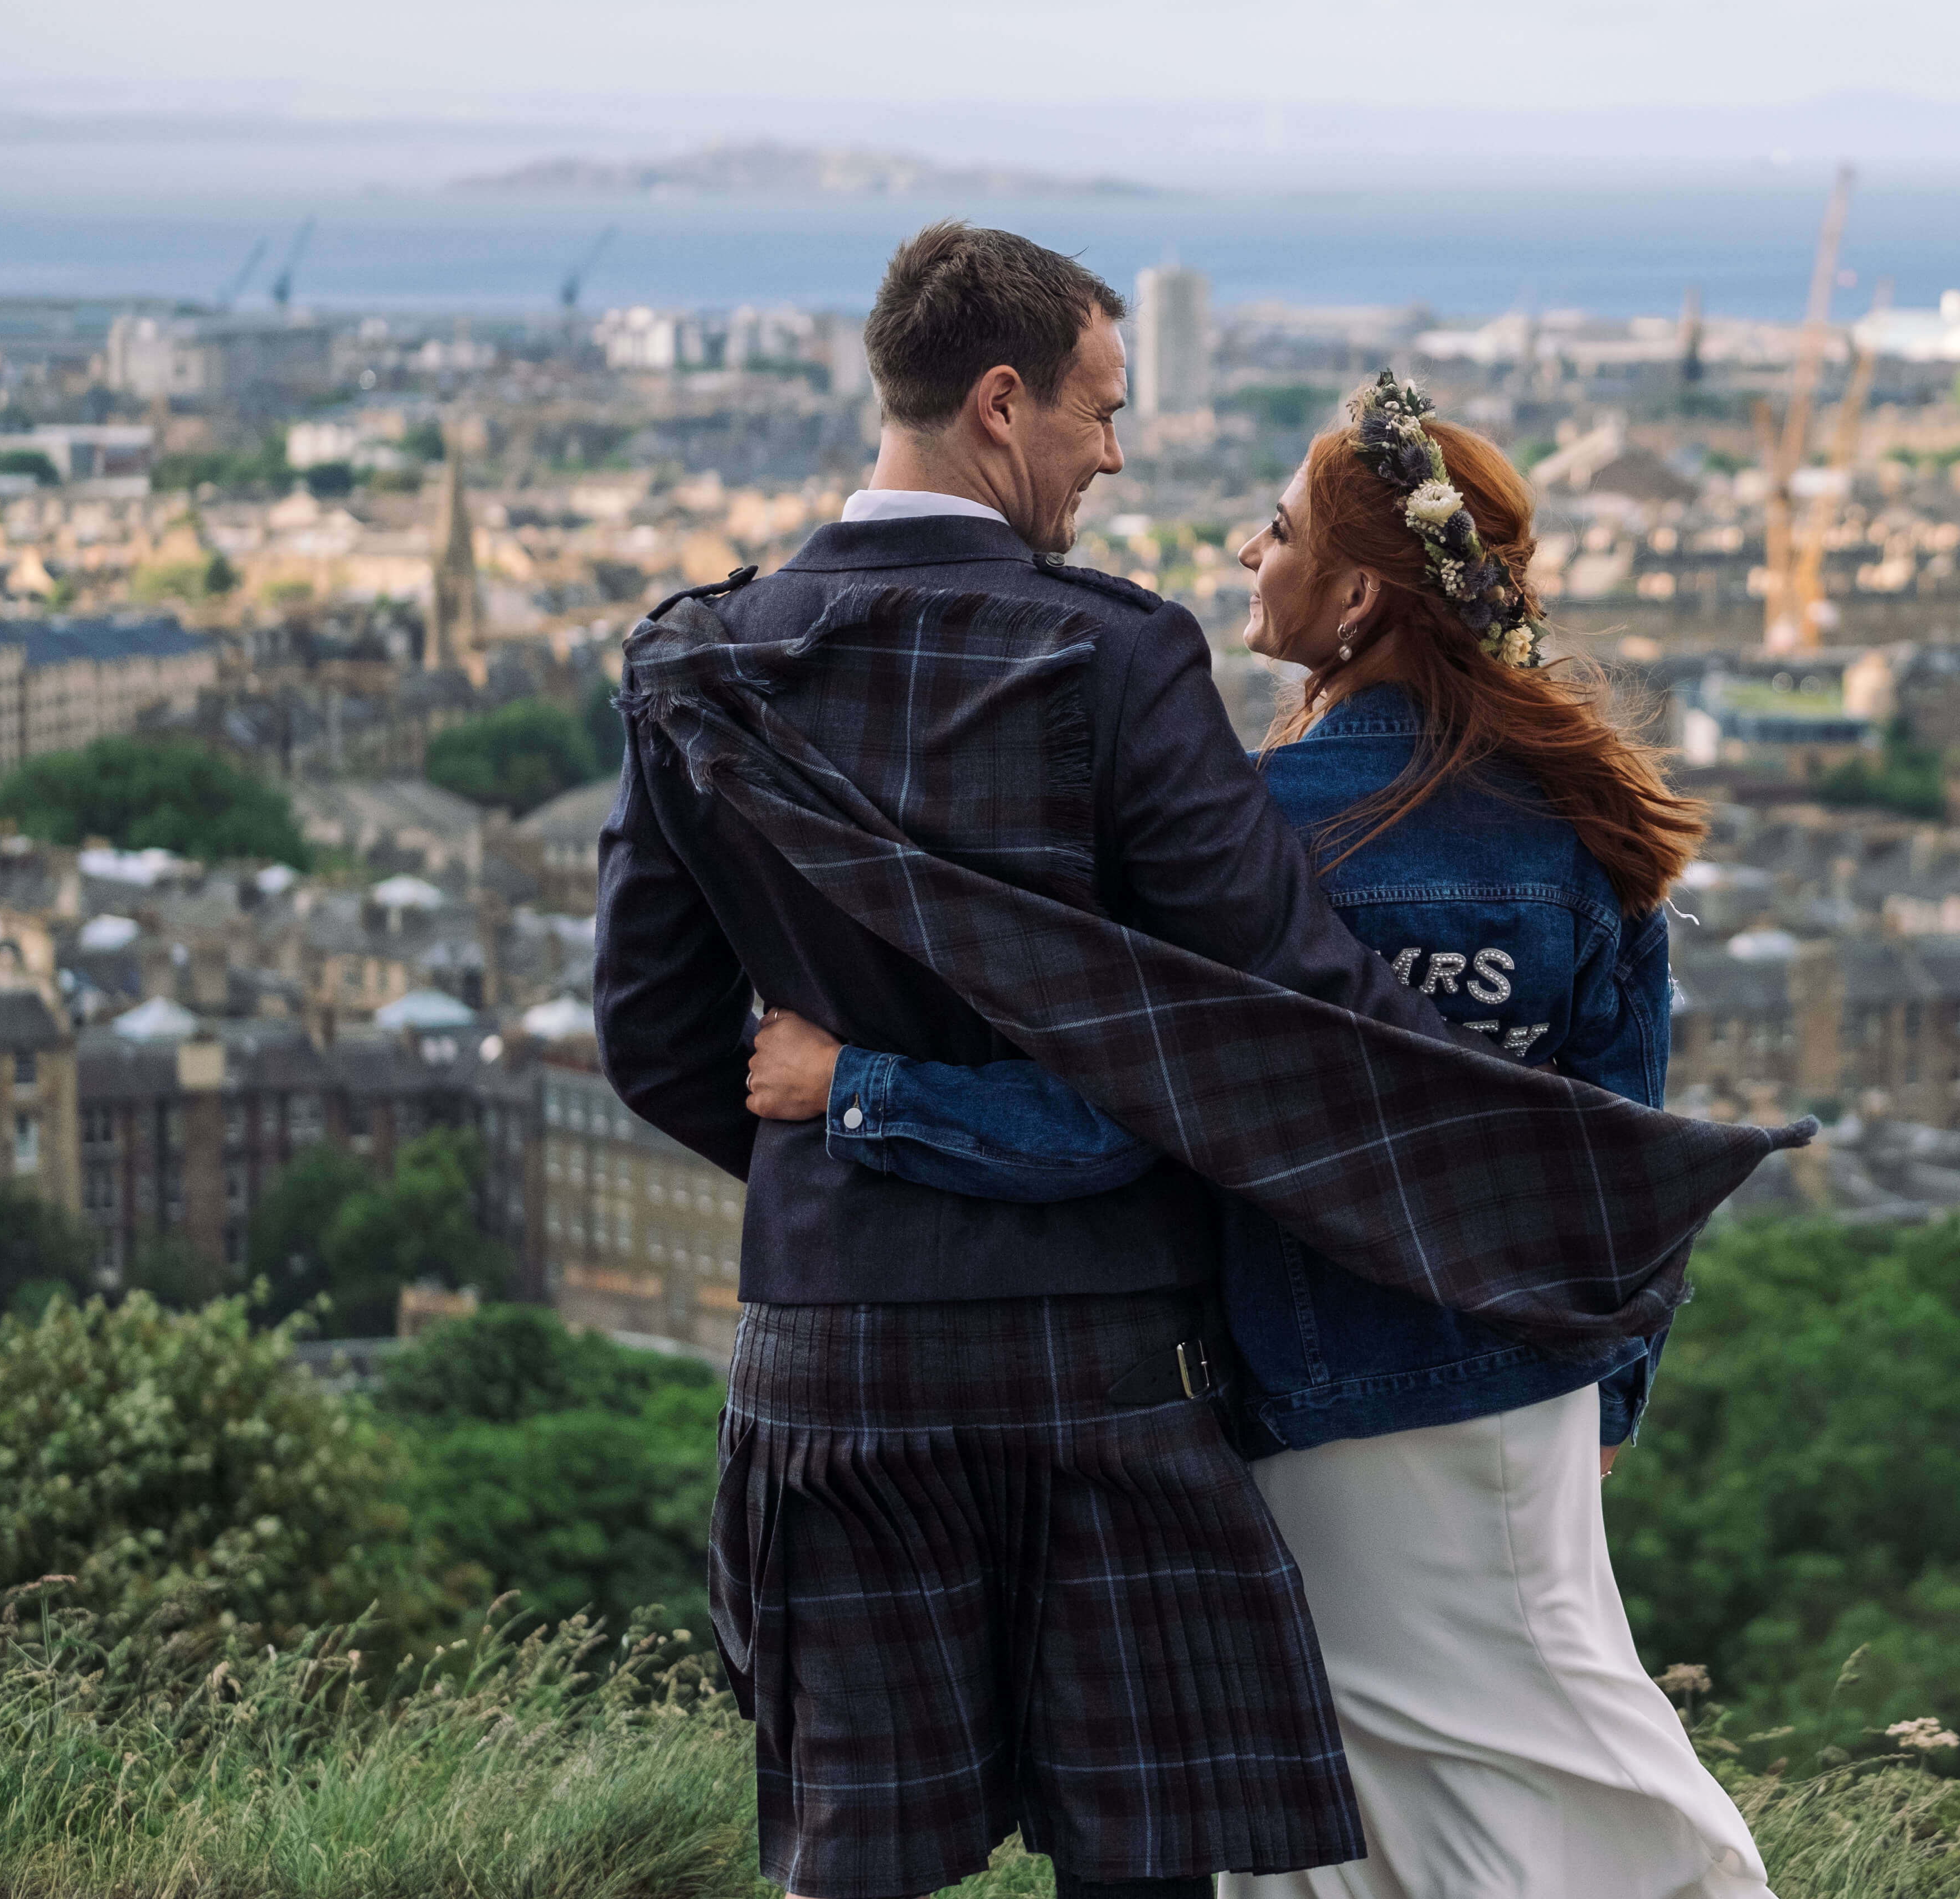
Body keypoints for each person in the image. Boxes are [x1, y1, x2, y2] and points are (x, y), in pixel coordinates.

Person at [741, 381, 1773, 1899]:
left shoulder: (1237, 829)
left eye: (1278, 531)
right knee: (1530, 1742)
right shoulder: (1582, 824)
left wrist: (854, 1088)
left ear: (1358, 596)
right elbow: (1622, 1170)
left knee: (1363, 1803)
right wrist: (1607, 1402)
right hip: (1532, 1387)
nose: (1247, 552)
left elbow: (1108, 1124)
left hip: (1322, 1382)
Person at [596, 225, 1455, 1899]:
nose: (1114, 456)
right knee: (1144, 1857)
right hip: (1111, 1365)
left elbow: (649, 1037)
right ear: (1001, 405)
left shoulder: (695, 663)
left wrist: (857, 1156)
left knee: (859, 1858)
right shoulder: (1115, 656)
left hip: (833, 1362)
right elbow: (1288, 992)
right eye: (1097, 413)